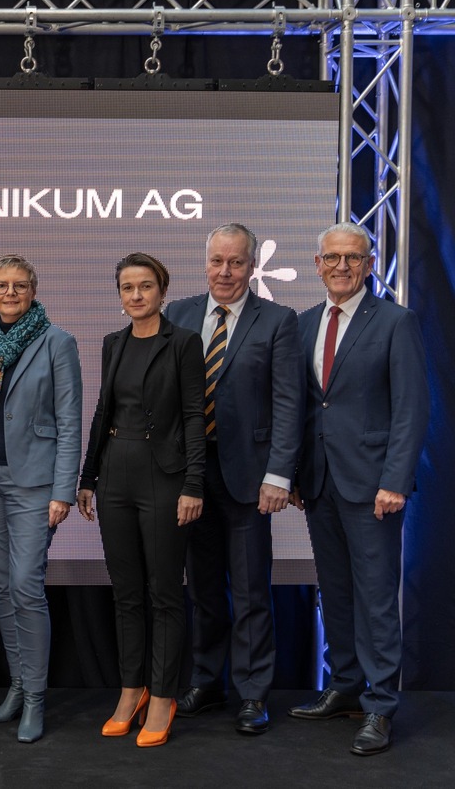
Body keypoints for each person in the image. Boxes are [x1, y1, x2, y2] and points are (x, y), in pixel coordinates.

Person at [288, 223, 428, 756]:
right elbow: (303, 408)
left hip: (373, 487)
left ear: (370, 264)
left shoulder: (396, 321)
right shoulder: (303, 325)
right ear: (317, 263)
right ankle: (345, 687)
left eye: (354, 258)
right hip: (320, 482)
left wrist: (395, 481)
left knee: (374, 598)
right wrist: (299, 473)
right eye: (332, 258)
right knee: (337, 592)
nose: (342, 266)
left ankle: (380, 706)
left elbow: (411, 409)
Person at [166, 223, 303, 735]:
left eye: (237, 262)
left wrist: (279, 475)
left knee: (249, 591)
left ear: (251, 266)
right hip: (190, 477)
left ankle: (251, 693)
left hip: (250, 478)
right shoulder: (177, 314)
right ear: (205, 263)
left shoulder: (278, 320)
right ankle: (205, 680)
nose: (226, 272)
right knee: (201, 588)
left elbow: (289, 404)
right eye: (217, 261)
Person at [76, 252, 205, 748]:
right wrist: (87, 478)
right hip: (115, 479)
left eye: (145, 286)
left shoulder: (184, 343)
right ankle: (132, 691)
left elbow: (195, 416)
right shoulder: (113, 343)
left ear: (162, 290)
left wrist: (194, 484)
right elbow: (102, 411)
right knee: (126, 592)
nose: (136, 295)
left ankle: (164, 695)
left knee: (165, 592)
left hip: (166, 478)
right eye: (127, 287)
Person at [0, 254, 82, 743]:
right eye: (1, 285)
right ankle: (15, 687)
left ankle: (35, 699)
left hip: (34, 484)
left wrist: (63, 491)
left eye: (19, 285)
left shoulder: (57, 342)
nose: (10, 293)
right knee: (1, 588)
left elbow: (70, 419)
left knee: (26, 587)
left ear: (33, 289)